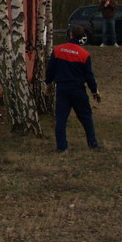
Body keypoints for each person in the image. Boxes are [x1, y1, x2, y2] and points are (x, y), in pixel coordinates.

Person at [45, 24, 103, 153]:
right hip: (78, 90)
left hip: (62, 89)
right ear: (82, 36)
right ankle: (93, 143)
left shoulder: (58, 50)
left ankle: (61, 147)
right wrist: (94, 91)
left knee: (61, 119)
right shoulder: (84, 54)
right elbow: (89, 76)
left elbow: (50, 69)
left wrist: (48, 83)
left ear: (70, 34)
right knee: (86, 117)